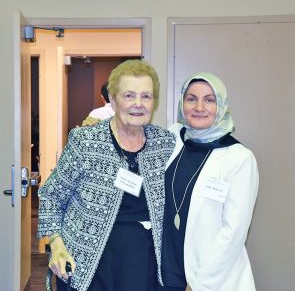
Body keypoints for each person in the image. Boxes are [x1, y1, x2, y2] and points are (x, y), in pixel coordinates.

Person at [37, 59, 176, 291]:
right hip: (89, 262)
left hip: (145, 263)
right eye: (129, 96)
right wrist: (56, 244)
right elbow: (51, 196)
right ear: (113, 100)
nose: (138, 104)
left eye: (146, 96)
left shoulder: (165, 144)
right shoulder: (86, 141)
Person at [159, 72, 259, 291]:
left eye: (209, 100)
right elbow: (134, 141)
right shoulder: (172, 138)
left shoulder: (239, 158)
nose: (199, 107)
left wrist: (200, 284)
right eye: (191, 98)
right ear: (182, 103)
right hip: (166, 270)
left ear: (221, 106)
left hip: (209, 278)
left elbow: (234, 232)